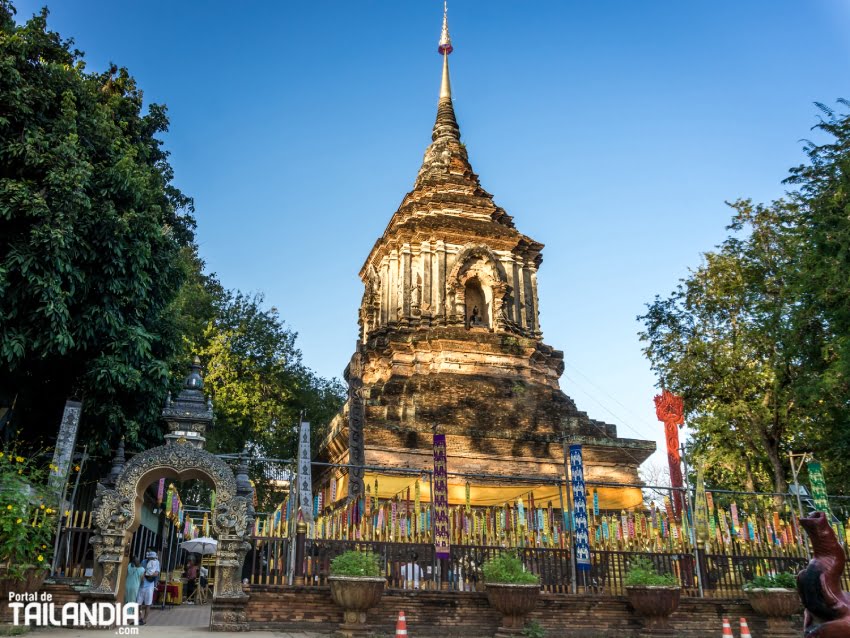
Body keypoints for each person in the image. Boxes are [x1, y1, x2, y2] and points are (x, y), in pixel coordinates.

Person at [137, 550, 160, 624]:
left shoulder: (157, 562)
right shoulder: (144, 562)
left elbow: (156, 573)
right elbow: (140, 571)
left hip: (150, 586)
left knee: (148, 603)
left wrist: (147, 574)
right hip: (141, 585)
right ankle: (139, 617)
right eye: (151, 558)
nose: (153, 559)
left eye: (154, 558)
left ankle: (144, 619)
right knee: (138, 603)